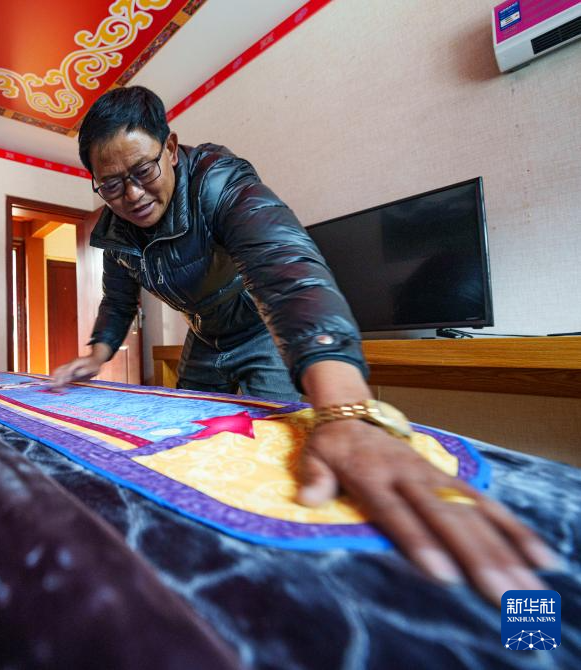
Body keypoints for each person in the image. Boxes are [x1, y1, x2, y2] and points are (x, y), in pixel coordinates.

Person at [50, 86, 559, 604]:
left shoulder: (219, 182)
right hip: (203, 335)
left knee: (281, 450)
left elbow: (285, 270)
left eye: (143, 171)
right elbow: (118, 300)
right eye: (110, 184)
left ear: (172, 148)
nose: (132, 194)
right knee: (182, 441)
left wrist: (344, 411)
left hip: (262, 330)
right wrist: (97, 354)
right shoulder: (115, 233)